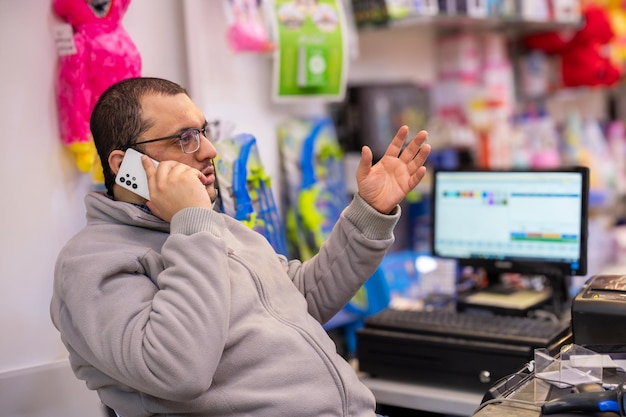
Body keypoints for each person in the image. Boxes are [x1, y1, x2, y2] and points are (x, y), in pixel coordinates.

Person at [50, 77, 431, 417]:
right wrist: (193, 224)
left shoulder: (216, 227)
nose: (209, 150)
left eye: (203, 131)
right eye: (185, 138)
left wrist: (369, 213)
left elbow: (299, 302)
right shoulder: (91, 262)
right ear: (124, 165)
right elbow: (177, 370)